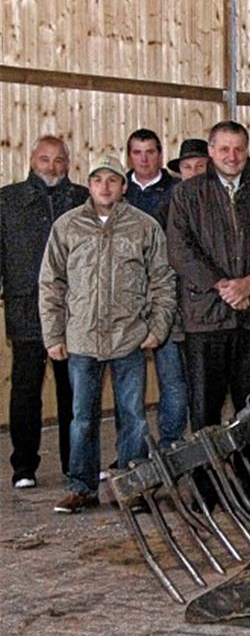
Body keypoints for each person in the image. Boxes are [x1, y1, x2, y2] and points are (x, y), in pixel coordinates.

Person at [39, 155, 176, 513]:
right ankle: (81, 487)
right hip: (82, 340)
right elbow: (51, 283)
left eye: (112, 180)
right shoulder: (67, 227)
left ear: (123, 185)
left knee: (132, 415)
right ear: (89, 185)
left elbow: (162, 280)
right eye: (98, 180)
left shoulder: (144, 227)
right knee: (82, 417)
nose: (105, 186)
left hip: (128, 338)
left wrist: (157, 327)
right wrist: (54, 335)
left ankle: (132, 487)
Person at [166, 121, 250, 432]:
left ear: (247, 151)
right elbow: (180, 251)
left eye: (238, 149)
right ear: (211, 152)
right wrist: (224, 287)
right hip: (205, 318)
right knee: (205, 410)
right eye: (224, 149)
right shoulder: (187, 194)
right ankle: (207, 479)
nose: (232, 156)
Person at [0, 135, 88, 489]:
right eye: (44, 159)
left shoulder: (82, 198)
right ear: (31, 160)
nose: (52, 167)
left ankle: (75, 464)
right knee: (25, 391)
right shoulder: (7, 201)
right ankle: (24, 466)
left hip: (74, 312)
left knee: (74, 392)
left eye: (58, 160)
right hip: (27, 309)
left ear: (69, 163)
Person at [125, 128, 187, 452]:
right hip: (127, 300)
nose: (144, 159)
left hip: (167, 296)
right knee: (128, 382)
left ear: (160, 155)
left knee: (172, 377)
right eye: (138, 152)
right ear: (129, 156)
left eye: (150, 152)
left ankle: (170, 445)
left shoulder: (179, 191)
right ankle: (131, 450)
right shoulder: (117, 191)